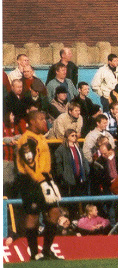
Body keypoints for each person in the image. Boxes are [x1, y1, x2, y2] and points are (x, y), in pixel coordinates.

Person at [13, 110, 65, 261]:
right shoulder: (26, 139)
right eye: (41, 119)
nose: (45, 122)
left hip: (45, 179)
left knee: (55, 211)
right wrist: (40, 181)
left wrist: (48, 179)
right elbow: (30, 164)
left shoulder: (41, 137)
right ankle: (34, 254)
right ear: (33, 122)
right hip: (31, 181)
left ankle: (47, 251)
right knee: (33, 215)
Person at [53, 129, 89, 197]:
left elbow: (83, 160)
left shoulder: (78, 148)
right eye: (72, 135)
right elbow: (59, 164)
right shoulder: (61, 149)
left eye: (75, 135)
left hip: (80, 177)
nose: (74, 137)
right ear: (67, 137)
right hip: (68, 179)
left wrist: (86, 170)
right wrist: (63, 176)